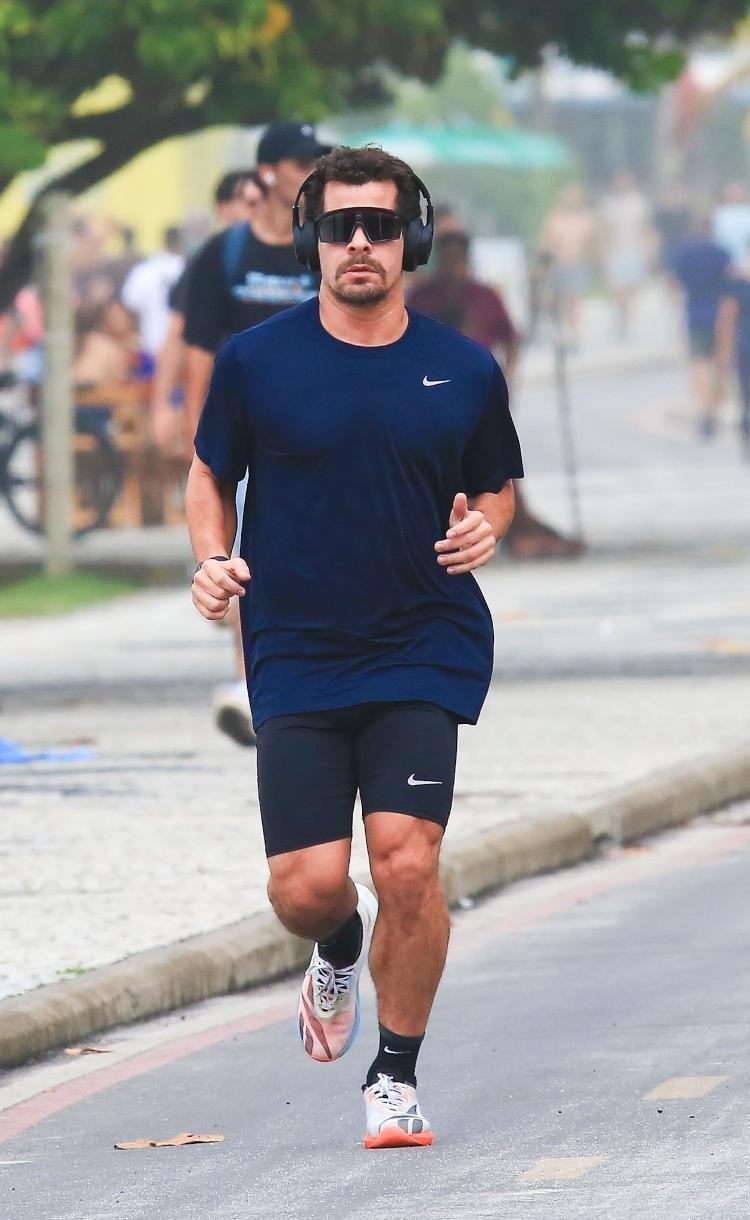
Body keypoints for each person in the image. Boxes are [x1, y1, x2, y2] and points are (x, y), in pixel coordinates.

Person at [185, 145, 523, 1148]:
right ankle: (337, 945)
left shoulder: (462, 367)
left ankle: (395, 1074)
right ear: (312, 241)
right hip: (294, 647)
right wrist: (213, 559)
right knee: (308, 883)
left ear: (412, 237)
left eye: (380, 224)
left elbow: (495, 482)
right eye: (340, 227)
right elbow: (210, 476)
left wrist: (487, 526)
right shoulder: (257, 361)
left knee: (407, 863)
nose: (361, 244)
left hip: (424, 638)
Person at [184, 121, 329, 749]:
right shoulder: (225, 255)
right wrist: (198, 443)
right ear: (267, 172)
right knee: (252, 558)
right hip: (250, 432)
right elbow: (196, 350)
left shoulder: (324, 246)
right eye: (302, 162)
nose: (312, 171)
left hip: (326, 426)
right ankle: (252, 682)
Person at [408, 230, 580, 560]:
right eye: (446, 259)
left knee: (493, 472)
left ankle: (510, 531)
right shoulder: (422, 299)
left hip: (476, 395)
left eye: (458, 259)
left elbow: (510, 337)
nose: (452, 266)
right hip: (429, 396)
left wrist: (508, 378)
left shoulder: (484, 296)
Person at [669, 213, 730, 438]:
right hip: (721, 315)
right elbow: (730, 283)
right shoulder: (721, 253)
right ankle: (714, 408)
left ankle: (704, 410)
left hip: (695, 314)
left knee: (698, 364)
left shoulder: (685, 254)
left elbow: (675, 283)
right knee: (720, 365)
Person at [538, 183, 596, 347]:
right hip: (559, 264)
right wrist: (545, 264)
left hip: (578, 264)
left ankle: (574, 334)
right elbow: (547, 241)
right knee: (562, 299)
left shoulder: (586, 218)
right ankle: (563, 333)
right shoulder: (555, 218)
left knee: (575, 299)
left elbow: (591, 241)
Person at [599, 171, 653, 340]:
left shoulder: (639, 203)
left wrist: (648, 251)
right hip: (616, 252)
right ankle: (620, 324)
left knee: (632, 291)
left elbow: (646, 228)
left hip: (635, 251)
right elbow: (605, 230)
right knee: (618, 291)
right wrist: (604, 253)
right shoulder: (609, 204)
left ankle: (629, 326)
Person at [121, 225, 185, 362]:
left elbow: (130, 307)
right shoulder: (193, 269)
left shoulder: (144, 270)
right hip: (184, 355)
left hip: (150, 350)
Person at [712, 182, 750, 272]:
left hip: (744, 256)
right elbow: (716, 235)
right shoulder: (719, 213)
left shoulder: (747, 212)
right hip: (723, 256)